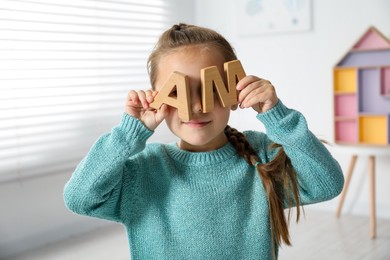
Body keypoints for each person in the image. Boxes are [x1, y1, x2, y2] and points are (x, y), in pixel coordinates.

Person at [64, 23, 344, 259]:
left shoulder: (261, 155)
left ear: (234, 92)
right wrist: (128, 134)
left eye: (210, 90)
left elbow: (326, 184)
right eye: (179, 92)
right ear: (157, 99)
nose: (196, 106)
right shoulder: (144, 170)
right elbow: (79, 198)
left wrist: (277, 116)